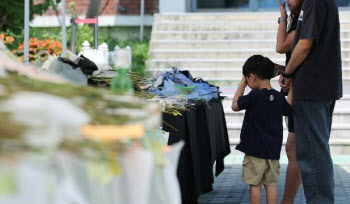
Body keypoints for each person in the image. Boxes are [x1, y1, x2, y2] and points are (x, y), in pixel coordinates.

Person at [280, 0, 343, 203]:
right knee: (317, 153)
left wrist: (288, 72)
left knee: (313, 156)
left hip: (312, 88)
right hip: (321, 87)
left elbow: (305, 44)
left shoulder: (314, 2)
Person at [232, 55, 292, 204]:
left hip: (254, 151)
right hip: (273, 151)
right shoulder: (278, 97)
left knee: (255, 185)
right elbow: (289, 109)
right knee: (271, 184)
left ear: (251, 77)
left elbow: (234, 105)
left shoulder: (254, 96)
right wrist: (293, 88)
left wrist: (242, 85)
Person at [275, 0, 304, 203]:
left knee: (294, 149)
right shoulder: (298, 23)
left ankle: (287, 200)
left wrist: (282, 14)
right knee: (291, 148)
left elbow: (280, 46)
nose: (287, 0)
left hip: (301, 92)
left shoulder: (300, 26)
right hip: (294, 90)